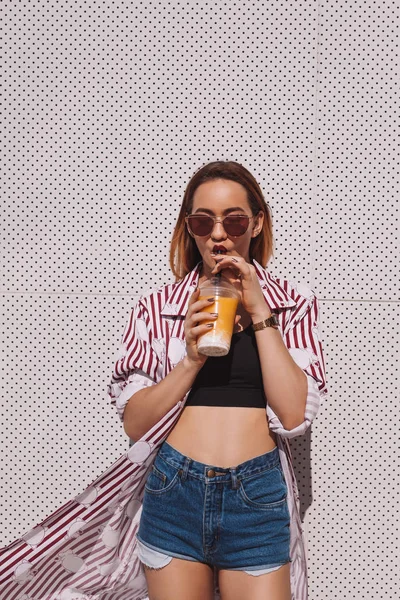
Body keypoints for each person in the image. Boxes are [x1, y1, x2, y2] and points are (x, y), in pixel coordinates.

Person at [0, 161, 327, 600]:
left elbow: (293, 415)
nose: (218, 234)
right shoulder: (156, 308)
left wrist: (260, 310)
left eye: (233, 220)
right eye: (202, 221)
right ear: (188, 228)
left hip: (257, 493)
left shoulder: (292, 304)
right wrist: (190, 360)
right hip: (174, 490)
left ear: (256, 223)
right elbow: (136, 423)